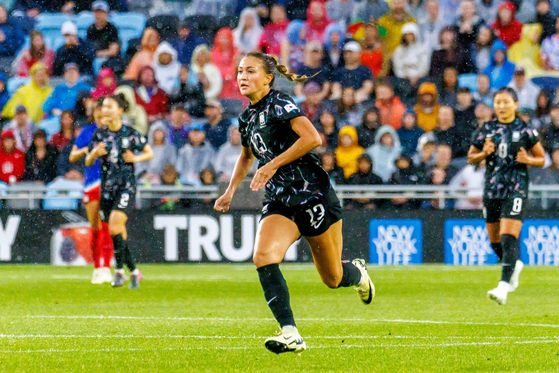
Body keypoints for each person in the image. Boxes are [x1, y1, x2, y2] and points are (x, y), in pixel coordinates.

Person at [214, 52, 374, 355]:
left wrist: (272, 164)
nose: (242, 77)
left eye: (250, 71)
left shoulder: (280, 103)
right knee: (262, 257)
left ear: (268, 78)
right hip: (280, 200)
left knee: (333, 277)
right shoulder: (247, 116)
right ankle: (290, 333)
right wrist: (231, 190)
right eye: (239, 72)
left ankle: (358, 273)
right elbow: (247, 155)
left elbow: (312, 138)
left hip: (313, 196)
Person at [468, 87, 545, 305]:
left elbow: (542, 158)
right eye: (498, 102)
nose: (501, 106)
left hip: (516, 188)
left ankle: (503, 287)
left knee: (508, 235)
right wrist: (484, 153)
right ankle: (514, 265)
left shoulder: (525, 130)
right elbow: (470, 158)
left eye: (506, 102)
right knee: (495, 241)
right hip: (492, 189)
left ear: (515, 104)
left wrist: (528, 160)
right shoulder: (487, 128)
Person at [86, 94, 154, 289]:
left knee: (114, 227)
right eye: (103, 107)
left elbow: (149, 151)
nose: (105, 110)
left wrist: (136, 158)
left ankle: (118, 271)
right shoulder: (100, 135)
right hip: (107, 190)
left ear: (120, 110)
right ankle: (133, 271)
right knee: (118, 232)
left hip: (126, 187)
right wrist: (93, 154)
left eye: (109, 106)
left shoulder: (131, 133)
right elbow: (87, 162)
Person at [70, 99, 113, 284]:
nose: (99, 113)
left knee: (109, 226)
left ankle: (107, 267)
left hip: (110, 182)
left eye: (102, 109)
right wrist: (89, 150)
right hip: (91, 181)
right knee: (95, 225)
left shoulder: (114, 131)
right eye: (97, 109)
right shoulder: (87, 131)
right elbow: (73, 155)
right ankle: (97, 266)